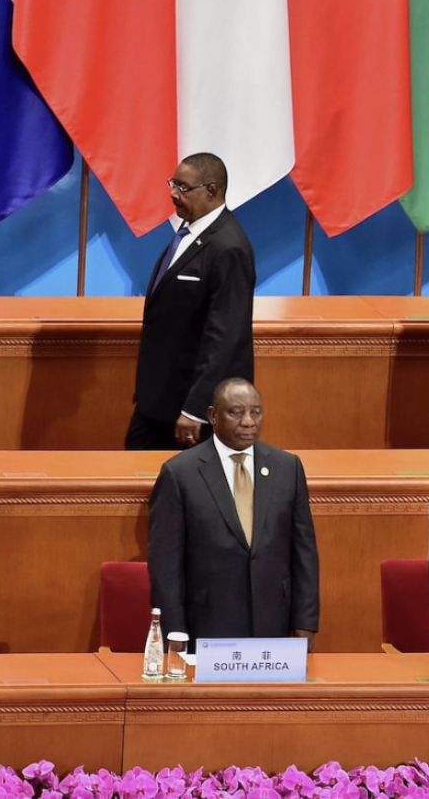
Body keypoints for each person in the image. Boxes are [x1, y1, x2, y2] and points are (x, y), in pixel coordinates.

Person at [147, 378, 319, 645]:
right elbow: (166, 564)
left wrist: (304, 621)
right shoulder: (180, 474)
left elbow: (304, 552)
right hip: (208, 623)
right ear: (213, 416)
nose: (249, 421)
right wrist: (174, 630)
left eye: (256, 412)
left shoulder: (288, 468)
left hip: (273, 623)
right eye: (236, 412)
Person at [127, 152, 256, 450]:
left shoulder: (229, 247)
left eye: (184, 188)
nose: (173, 193)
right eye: (173, 183)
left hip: (190, 411)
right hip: (160, 400)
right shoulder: (188, 233)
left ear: (211, 190)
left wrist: (195, 409)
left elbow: (224, 338)